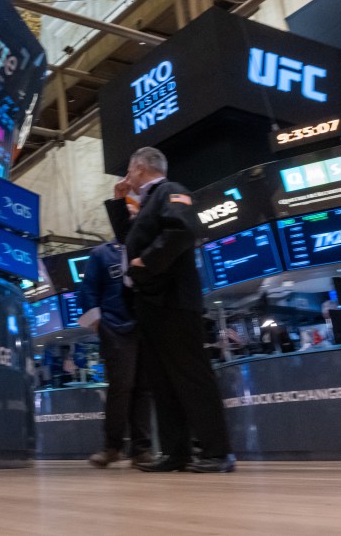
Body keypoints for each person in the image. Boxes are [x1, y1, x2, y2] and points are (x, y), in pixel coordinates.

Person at [109, 147, 235, 473]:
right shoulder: (146, 203)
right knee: (163, 383)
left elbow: (182, 231)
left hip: (174, 302)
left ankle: (218, 453)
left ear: (138, 168)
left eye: (129, 172)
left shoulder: (171, 190)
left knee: (192, 377)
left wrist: (144, 263)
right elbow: (130, 239)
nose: (127, 177)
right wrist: (119, 202)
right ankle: (176, 452)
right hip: (151, 304)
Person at [78, 233, 154, 469]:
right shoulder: (100, 254)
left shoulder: (144, 248)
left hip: (143, 324)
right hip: (114, 326)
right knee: (121, 386)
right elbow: (88, 291)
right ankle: (112, 447)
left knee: (143, 388)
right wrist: (99, 325)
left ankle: (141, 450)